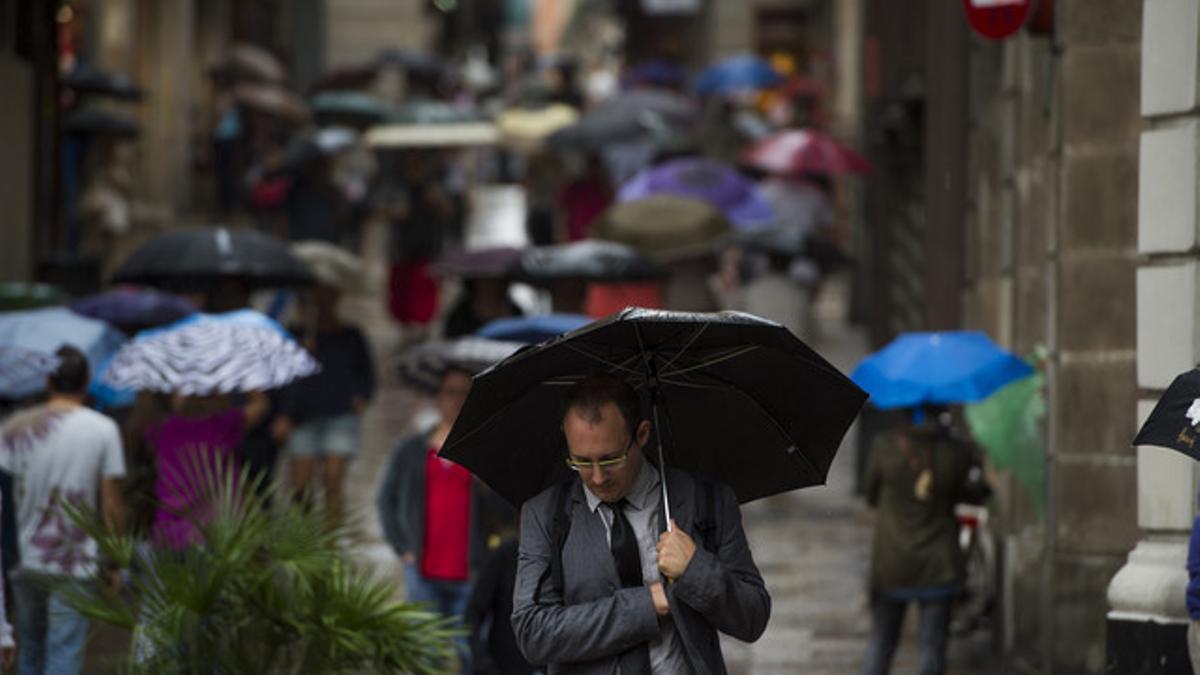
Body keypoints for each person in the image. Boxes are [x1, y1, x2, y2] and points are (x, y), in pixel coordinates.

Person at [511, 374, 771, 673]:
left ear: (642, 434)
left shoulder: (706, 500)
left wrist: (696, 570)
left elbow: (753, 618)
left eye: (610, 460)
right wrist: (649, 604)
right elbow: (532, 633)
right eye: (581, 461)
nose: (597, 477)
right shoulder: (544, 515)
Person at [0, 346, 126, 675]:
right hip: (75, 561)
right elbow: (112, 502)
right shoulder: (103, 429)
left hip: (22, 558)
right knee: (64, 654)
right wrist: (114, 558)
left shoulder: (14, 427)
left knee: (30, 650)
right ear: (87, 381)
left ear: (47, 379)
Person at [377, 367, 493, 671]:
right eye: (450, 392)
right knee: (424, 656)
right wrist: (402, 546)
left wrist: (486, 485)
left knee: (470, 654)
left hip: (469, 573)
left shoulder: (485, 452)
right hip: (422, 571)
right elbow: (386, 501)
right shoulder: (412, 449)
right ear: (438, 397)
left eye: (464, 394)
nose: (456, 400)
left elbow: (507, 514)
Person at [860, 409, 973, 675]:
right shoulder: (955, 452)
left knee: (881, 642)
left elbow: (870, 495)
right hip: (939, 564)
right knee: (932, 647)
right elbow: (963, 494)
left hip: (892, 562)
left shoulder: (884, 446)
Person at [275, 283, 375, 522]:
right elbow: (281, 377)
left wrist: (362, 397)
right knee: (300, 486)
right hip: (303, 416)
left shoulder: (351, 334)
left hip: (341, 414)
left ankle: (331, 541)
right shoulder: (297, 334)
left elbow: (367, 375)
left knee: (333, 479)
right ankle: (303, 539)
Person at [149, 392, 268, 549]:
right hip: (217, 535)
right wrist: (246, 378)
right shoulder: (224, 424)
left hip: (168, 535)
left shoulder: (160, 429)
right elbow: (261, 405)